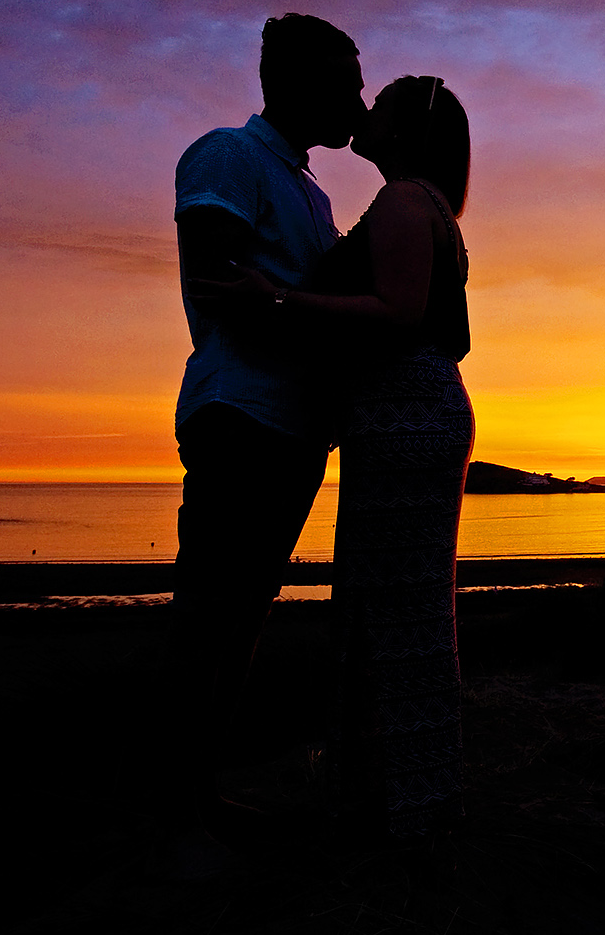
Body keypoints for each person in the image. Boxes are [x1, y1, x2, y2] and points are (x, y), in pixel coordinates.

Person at [197, 74, 474, 838]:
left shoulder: (404, 202)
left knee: (394, 608)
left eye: (378, 103)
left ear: (407, 130)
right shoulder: (426, 204)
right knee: (394, 604)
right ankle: (396, 790)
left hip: (403, 410)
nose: (364, 111)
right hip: (403, 411)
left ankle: (406, 801)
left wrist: (273, 298)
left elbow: (397, 313)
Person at [167, 13, 364, 852]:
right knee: (213, 609)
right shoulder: (228, 155)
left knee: (244, 612)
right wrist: (305, 312)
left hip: (292, 430)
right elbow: (218, 283)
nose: (357, 97)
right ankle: (177, 802)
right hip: (241, 414)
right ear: (295, 82)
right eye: (345, 80)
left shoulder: (312, 193)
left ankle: (196, 789)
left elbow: (280, 294)